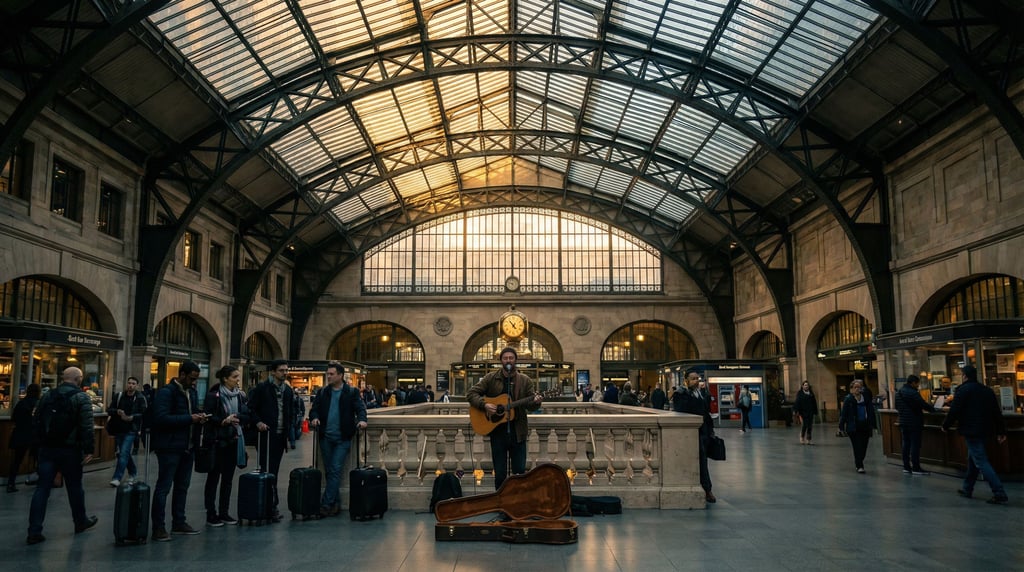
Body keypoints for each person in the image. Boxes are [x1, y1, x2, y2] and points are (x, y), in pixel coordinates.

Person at [26, 367, 98, 545]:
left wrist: (38, 445)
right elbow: (87, 426)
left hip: (48, 449)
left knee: (42, 488)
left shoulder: (48, 395)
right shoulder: (81, 397)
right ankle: (80, 521)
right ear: (79, 379)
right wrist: (89, 449)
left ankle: (34, 530)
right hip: (70, 450)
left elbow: (36, 420)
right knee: (75, 487)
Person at [466, 347, 543, 491]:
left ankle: (516, 504)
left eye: (511, 358)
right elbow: (471, 394)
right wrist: (485, 405)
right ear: (501, 360)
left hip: (517, 431)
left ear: (515, 360)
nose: (508, 360)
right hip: (497, 432)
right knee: (500, 473)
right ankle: (500, 503)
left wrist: (536, 402)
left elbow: (530, 406)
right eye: (505, 358)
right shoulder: (491, 378)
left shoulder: (525, 380)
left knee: (519, 472)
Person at [151, 363, 208, 541]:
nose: (194, 382)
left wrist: (200, 417)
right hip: (169, 447)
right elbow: (160, 418)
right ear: (181, 374)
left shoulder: (191, 392)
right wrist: (189, 418)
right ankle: (158, 527)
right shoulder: (166, 392)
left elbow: (192, 412)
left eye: (196, 379)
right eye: (192, 378)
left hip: (187, 446)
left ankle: (179, 521)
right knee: (164, 487)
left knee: (182, 487)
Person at [941, 365, 1008, 504]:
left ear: (964, 376)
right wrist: (1001, 431)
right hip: (986, 430)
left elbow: (954, 410)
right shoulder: (987, 391)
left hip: (971, 430)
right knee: (973, 459)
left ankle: (999, 492)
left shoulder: (962, 390)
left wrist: (945, 425)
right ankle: (967, 488)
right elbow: (996, 412)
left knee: (981, 461)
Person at [308, 362, 368, 517]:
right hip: (325, 437)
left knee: (334, 469)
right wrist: (314, 418)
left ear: (340, 375)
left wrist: (362, 419)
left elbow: (360, 408)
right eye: (328, 373)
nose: (328, 376)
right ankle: (335, 504)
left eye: (331, 374)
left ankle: (326, 504)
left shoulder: (351, 392)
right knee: (330, 472)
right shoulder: (323, 392)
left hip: (343, 437)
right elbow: (314, 410)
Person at [202, 365, 250, 526]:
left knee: (228, 479)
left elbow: (246, 414)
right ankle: (211, 513)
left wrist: (237, 417)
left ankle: (224, 512)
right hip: (217, 442)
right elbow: (208, 416)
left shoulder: (240, 396)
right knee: (213, 478)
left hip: (233, 440)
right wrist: (223, 421)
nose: (238, 380)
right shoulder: (213, 396)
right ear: (225, 378)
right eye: (235, 377)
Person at [248, 359, 295, 521]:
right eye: (281, 370)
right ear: (273, 372)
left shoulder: (287, 391)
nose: (284, 373)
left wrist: (290, 436)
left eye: (286, 370)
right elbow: (251, 408)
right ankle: (267, 505)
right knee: (266, 469)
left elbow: (289, 412)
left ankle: (270, 504)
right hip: (266, 436)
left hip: (280, 436)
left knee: (273, 471)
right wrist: (258, 422)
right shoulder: (262, 388)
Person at [672, 371, 716, 503]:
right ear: (686, 380)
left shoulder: (701, 393)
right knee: (699, 461)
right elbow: (682, 411)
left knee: (703, 461)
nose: (696, 381)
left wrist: (711, 430)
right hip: (689, 433)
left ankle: (706, 488)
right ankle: (706, 489)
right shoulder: (681, 394)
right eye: (693, 379)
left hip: (703, 432)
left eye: (698, 378)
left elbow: (705, 413)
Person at [106, 376, 148, 486]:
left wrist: (132, 417)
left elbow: (144, 413)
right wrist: (117, 411)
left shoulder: (140, 397)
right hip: (119, 428)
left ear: (137, 385)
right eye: (129, 383)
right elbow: (109, 409)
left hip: (131, 429)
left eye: (133, 383)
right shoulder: (119, 396)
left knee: (123, 452)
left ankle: (116, 478)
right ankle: (133, 473)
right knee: (124, 454)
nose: (130, 385)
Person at [895, 375, 935, 475]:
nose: (918, 386)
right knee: (915, 445)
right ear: (913, 383)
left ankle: (906, 467)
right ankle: (916, 468)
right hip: (914, 422)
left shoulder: (898, 392)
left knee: (906, 444)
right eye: (917, 383)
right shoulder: (913, 393)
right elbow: (922, 404)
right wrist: (934, 409)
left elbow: (897, 406)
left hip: (903, 421)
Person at [7, 383, 40, 492]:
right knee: (38, 459)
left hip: (20, 434)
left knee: (17, 460)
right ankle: (38, 480)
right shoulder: (37, 404)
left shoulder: (21, 403)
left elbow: (14, 418)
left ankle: (11, 483)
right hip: (34, 436)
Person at [838, 379, 876, 474]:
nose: (858, 389)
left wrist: (873, 424)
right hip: (853, 427)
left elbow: (871, 411)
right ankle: (859, 465)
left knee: (864, 446)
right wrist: (841, 427)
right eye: (855, 387)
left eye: (859, 387)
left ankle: (860, 460)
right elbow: (843, 414)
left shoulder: (866, 398)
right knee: (857, 446)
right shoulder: (848, 400)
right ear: (851, 389)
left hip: (865, 426)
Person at [289, 383, 305, 449]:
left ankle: (292, 442)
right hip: (297, 415)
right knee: (297, 427)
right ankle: (296, 437)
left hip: (292, 414)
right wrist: (302, 415)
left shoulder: (290, 398)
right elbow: (302, 408)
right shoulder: (299, 399)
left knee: (292, 427)